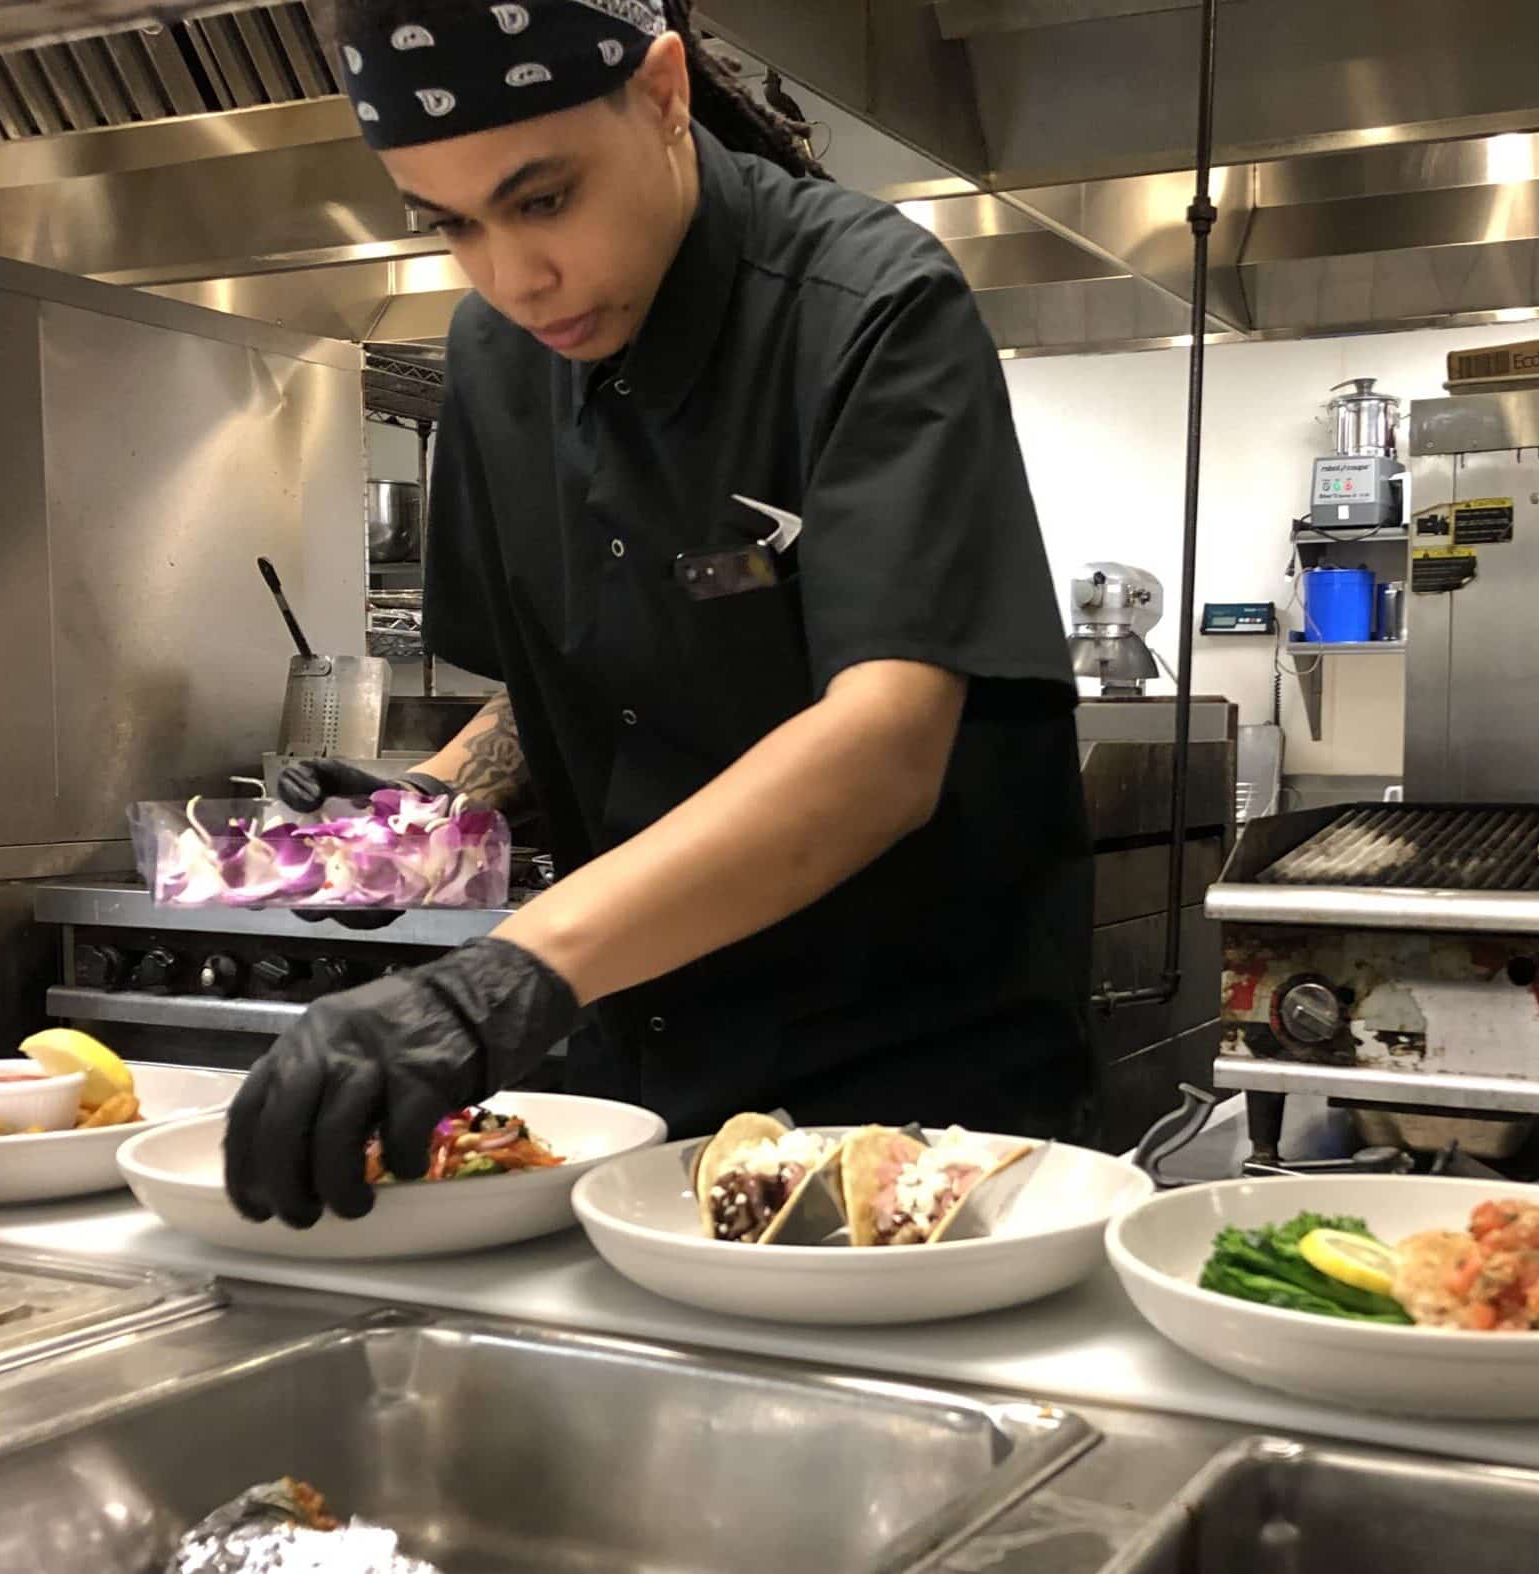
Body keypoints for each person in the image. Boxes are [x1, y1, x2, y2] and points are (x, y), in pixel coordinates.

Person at [225, 0, 1094, 1228]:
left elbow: (887, 743)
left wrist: (510, 974)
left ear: (664, 92)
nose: (510, 277)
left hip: (915, 1084)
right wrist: (429, 804)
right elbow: (558, 686)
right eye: (452, 225)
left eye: (542, 201)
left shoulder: (867, 305)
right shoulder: (491, 356)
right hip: (641, 1076)